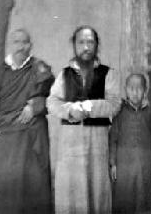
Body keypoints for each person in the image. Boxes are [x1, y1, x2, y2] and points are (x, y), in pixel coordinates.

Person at [0, 29, 54, 214]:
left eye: (25, 42)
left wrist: (34, 106)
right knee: (4, 190)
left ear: (31, 45)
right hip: (4, 138)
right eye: (17, 42)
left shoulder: (40, 69)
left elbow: (54, 97)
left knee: (31, 189)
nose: (21, 47)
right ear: (11, 45)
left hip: (30, 138)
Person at [47, 25, 121, 214]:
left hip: (97, 143)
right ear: (74, 45)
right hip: (70, 145)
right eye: (81, 42)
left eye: (90, 42)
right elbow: (52, 102)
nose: (86, 47)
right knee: (71, 192)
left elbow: (114, 104)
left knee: (96, 191)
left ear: (97, 45)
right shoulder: (64, 74)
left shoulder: (108, 73)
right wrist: (70, 110)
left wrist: (90, 108)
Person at [109, 73, 151, 213]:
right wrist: (113, 163)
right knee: (124, 197)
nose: (135, 92)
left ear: (145, 90)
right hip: (124, 163)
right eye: (131, 88)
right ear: (126, 90)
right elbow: (113, 137)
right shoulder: (119, 111)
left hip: (144, 163)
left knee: (142, 197)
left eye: (139, 88)